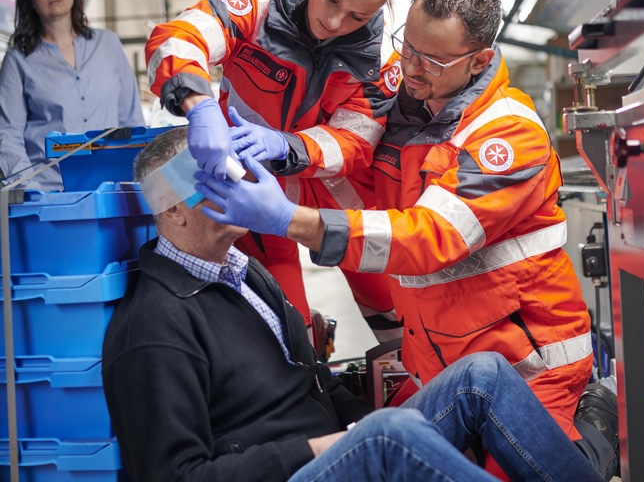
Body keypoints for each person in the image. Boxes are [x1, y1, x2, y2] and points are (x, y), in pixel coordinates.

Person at [193, 0, 600, 462]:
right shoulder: (404, 114)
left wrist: (288, 218)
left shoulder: (509, 136)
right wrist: (285, 146)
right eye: (407, 46)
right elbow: (350, 172)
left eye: (433, 59)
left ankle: (597, 441)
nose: (412, 67)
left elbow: (430, 236)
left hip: (529, 373)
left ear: (480, 61)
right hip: (444, 367)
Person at [101, 125, 606, 482]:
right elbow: (173, 475)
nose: (241, 188)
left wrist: (359, 419)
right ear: (172, 210)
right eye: (217, 182)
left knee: (483, 375)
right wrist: (326, 445)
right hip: (298, 468)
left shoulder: (246, 272)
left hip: (336, 449)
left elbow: (314, 383)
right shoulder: (153, 325)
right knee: (388, 436)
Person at [144, 0, 404, 342]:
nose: (335, 22)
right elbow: (177, 38)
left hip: (339, 201)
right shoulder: (257, 4)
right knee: (284, 327)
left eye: (358, 16)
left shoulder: (381, 62)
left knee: (398, 319)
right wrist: (199, 105)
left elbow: (357, 140)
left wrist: (288, 146)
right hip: (251, 189)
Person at [0, 0, 145, 191]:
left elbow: (132, 120)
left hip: (114, 191)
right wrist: (30, 190)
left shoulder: (108, 44)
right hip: (51, 194)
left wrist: (140, 181)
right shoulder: (18, 60)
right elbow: (7, 135)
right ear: (29, 0)